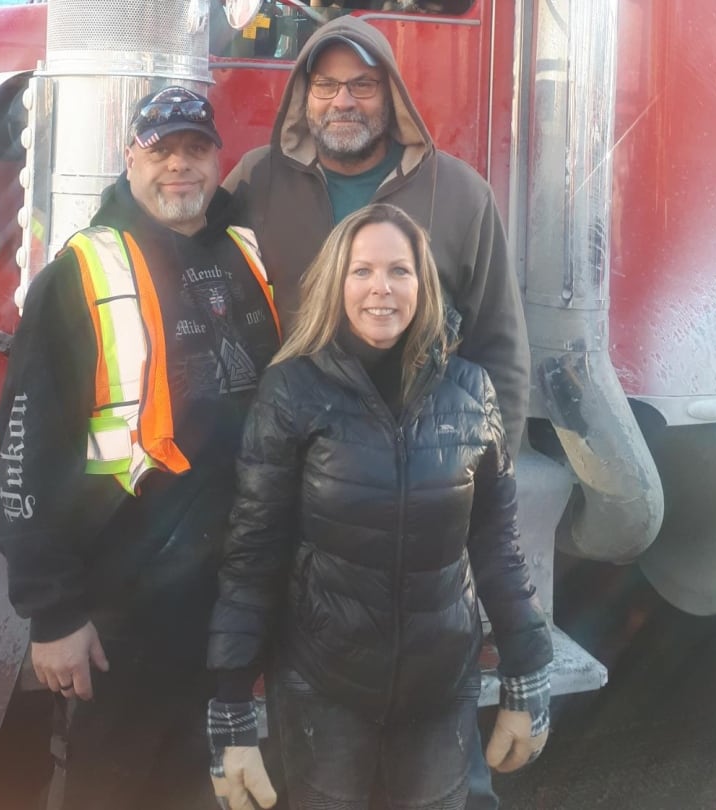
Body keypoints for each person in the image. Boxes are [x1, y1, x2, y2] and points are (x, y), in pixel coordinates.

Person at [223, 16, 531, 806]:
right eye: (326, 85)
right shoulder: (257, 180)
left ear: (392, 96)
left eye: (363, 84)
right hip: (305, 505)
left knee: (444, 779)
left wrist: (472, 478)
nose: (344, 101)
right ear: (303, 96)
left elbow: (499, 347)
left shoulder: (460, 195)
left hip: (429, 536)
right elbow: (181, 240)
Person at [206, 204, 553, 810]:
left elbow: (497, 544)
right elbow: (252, 552)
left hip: (439, 689)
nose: (381, 289)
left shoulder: (472, 393)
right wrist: (231, 704)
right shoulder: (292, 390)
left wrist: (529, 669)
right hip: (323, 688)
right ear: (337, 283)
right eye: (362, 271)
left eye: (400, 270)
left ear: (424, 285)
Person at [0, 86, 281, 810]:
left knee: (207, 782)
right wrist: (51, 615)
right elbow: (24, 445)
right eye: (161, 151)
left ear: (217, 159)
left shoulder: (245, 253)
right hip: (126, 604)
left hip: (231, 595)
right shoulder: (81, 272)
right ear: (130, 159)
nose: (179, 167)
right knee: (112, 786)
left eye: (194, 149)